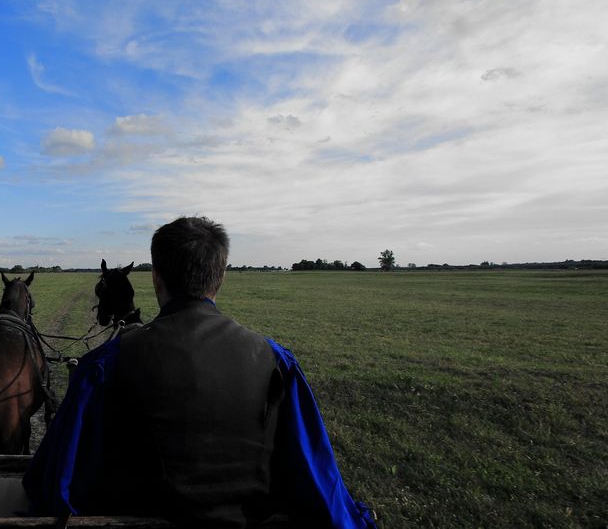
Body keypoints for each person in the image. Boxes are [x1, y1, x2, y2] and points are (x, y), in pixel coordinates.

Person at [23, 217, 376, 528]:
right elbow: (318, 476)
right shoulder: (276, 360)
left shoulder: (104, 363)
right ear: (219, 277)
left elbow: (52, 480)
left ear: (156, 278)